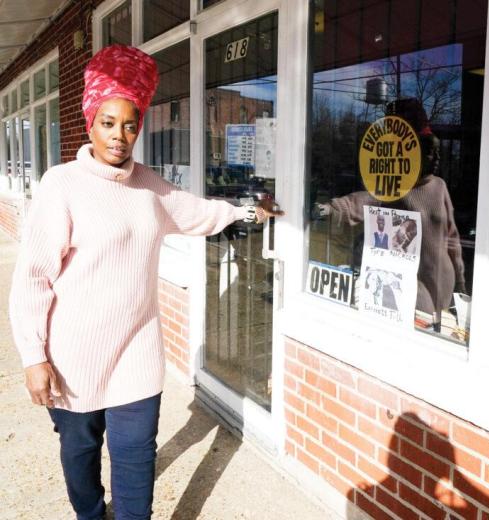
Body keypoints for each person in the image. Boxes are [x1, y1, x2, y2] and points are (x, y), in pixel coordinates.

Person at [7, 45, 283, 520]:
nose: (119, 136)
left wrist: (249, 210)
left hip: (137, 352)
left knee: (135, 460)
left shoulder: (150, 187)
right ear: (90, 122)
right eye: (108, 123)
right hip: (74, 356)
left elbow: (199, 212)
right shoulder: (62, 184)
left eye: (130, 125)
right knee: (80, 456)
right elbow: (33, 279)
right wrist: (34, 357)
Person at [315, 99, 465, 330]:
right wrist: (331, 209)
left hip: (445, 289)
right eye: (428, 152)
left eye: (437, 152)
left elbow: (452, 238)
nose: (436, 159)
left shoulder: (440, 186)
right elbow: (363, 200)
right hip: (416, 293)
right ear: (412, 155)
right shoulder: (395, 187)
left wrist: (461, 284)